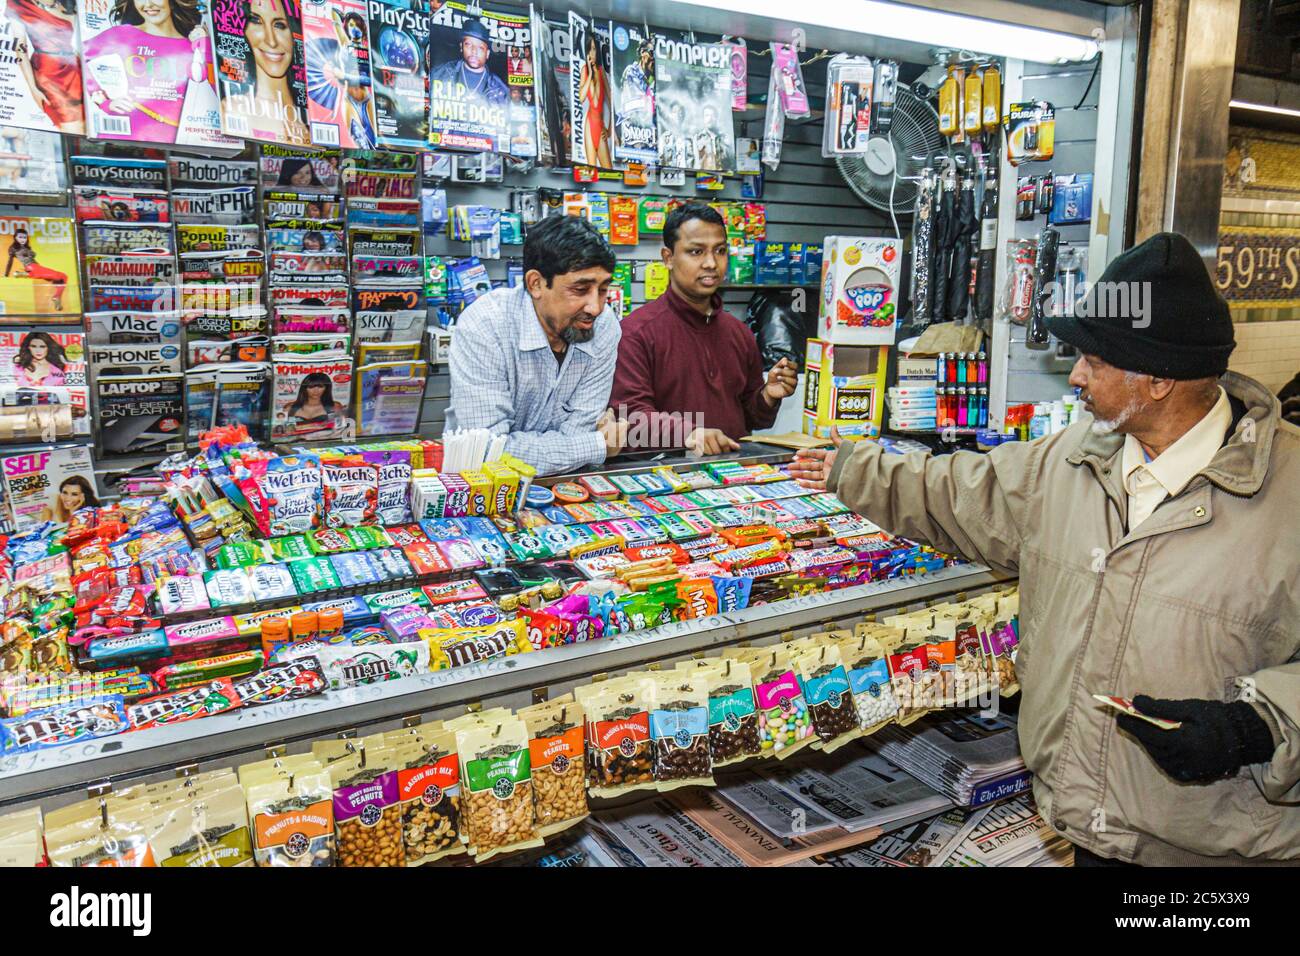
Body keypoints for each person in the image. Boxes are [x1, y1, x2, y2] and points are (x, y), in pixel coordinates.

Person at [789, 232, 1300, 866]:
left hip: (1218, 852)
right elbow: (960, 492)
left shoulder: (1290, 498)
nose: (1076, 375)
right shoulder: (1071, 460)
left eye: (1095, 358)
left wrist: (1257, 725)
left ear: (1159, 380)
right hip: (1085, 828)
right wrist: (851, 467)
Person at [611, 203, 797, 456]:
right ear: (668, 258)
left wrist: (768, 395)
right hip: (664, 482)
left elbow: (751, 418)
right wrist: (689, 434)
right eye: (696, 251)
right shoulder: (636, 333)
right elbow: (630, 421)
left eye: (720, 251)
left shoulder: (739, 333)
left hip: (734, 480)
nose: (711, 263)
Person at [446, 214, 625, 476]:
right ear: (536, 284)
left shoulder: (605, 325)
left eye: (602, 289)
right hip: (480, 493)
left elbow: (579, 431)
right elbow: (486, 453)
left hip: (568, 491)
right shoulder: (485, 324)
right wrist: (596, 445)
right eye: (580, 289)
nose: (596, 307)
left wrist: (576, 444)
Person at [81, 0, 210, 143]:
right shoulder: (122, 34)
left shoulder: (193, 47)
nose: (148, 4)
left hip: (178, 143)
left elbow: (212, 92)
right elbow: (81, 58)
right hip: (121, 140)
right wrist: (104, 101)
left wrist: (206, 47)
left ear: (172, 2)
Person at [234, 0, 310, 146]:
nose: (271, 41)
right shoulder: (234, 109)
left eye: (279, 25)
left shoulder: (317, 118)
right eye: (256, 21)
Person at [4, 0, 84, 134]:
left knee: (84, 127)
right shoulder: (19, 3)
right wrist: (33, 88)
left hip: (74, 69)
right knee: (70, 126)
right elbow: (20, 50)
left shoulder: (69, 4)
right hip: (48, 73)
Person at [429, 19, 508, 108]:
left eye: (480, 47)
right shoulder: (439, 74)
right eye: (468, 44)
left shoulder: (500, 89)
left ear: (487, 53)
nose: (474, 51)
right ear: (461, 47)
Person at [4, 229, 66, 311]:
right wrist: (6, 274)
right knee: (61, 276)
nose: (23, 239)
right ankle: (26, 274)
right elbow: (10, 261)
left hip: (37, 266)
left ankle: (57, 297)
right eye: (20, 237)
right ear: (15, 237)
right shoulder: (14, 248)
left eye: (24, 237)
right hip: (31, 267)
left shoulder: (26, 247)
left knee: (63, 277)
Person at [577, 29, 610, 168]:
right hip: (589, 127)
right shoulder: (585, 70)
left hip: (601, 126)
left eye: (594, 49)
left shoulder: (602, 72)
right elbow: (581, 98)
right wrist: (590, 74)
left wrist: (610, 131)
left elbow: (611, 99)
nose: (592, 53)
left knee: (609, 172)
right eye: (589, 50)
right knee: (591, 173)